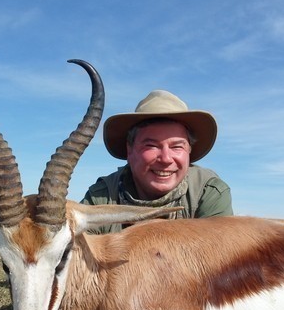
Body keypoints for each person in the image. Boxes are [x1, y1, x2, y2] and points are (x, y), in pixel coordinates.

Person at [82, 89, 233, 233]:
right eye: (151, 146)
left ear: (189, 151)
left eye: (177, 147)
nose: (166, 159)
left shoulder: (208, 192)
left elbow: (219, 256)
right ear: (130, 150)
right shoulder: (101, 198)